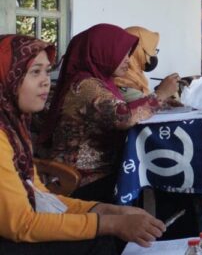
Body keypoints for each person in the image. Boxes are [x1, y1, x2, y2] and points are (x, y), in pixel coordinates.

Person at [0, 35, 167, 254]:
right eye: (34, 72)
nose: (45, 81)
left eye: (46, 71)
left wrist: (106, 211)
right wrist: (110, 223)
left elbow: (40, 197)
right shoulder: (86, 86)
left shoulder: (13, 128)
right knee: (102, 241)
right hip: (78, 176)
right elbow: (21, 223)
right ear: (7, 77)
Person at [41, 24, 179, 203]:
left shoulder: (100, 82)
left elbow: (119, 107)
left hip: (99, 172)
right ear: (102, 52)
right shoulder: (86, 86)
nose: (128, 61)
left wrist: (162, 103)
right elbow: (123, 117)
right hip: (80, 178)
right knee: (158, 178)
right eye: (123, 55)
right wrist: (159, 95)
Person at [113, 26, 180, 102]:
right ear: (137, 51)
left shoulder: (135, 77)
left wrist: (165, 94)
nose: (154, 54)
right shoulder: (123, 82)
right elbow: (142, 107)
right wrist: (162, 93)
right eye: (152, 49)